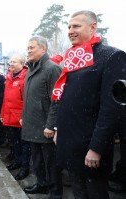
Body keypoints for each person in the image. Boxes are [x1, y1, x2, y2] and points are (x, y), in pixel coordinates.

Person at [53, 10, 126, 199]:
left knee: (94, 193)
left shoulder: (112, 56)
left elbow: (111, 109)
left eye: (76, 26)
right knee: (78, 191)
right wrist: (58, 129)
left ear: (93, 27)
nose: (70, 30)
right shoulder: (73, 56)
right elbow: (67, 100)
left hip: (90, 147)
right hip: (70, 142)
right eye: (69, 26)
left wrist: (96, 148)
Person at [21, 36, 62, 198]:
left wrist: (51, 125)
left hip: (45, 127)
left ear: (43, 49)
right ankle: (42, 184)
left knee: (51, 163)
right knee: (37, 160)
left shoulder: (52, 68)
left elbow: (57, 100)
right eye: (28, 48)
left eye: (32, 47)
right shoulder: (31, 68)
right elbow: (29, 98)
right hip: (32, 124)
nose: (28, 50)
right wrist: (24, 116)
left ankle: (55, 193)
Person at [0, 54, 31, 181]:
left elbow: (27, 100)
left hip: (21, 118)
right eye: (10, 62)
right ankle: (17, 161)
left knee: (25, 145)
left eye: (14, 62)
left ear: (22, 63)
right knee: (15, 143)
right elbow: (5, 99)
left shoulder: (25, 78)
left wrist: (24, 116)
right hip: (10, 116)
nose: (11, 64)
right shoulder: (8, 78)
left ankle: (25, 167)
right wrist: (2, 114)